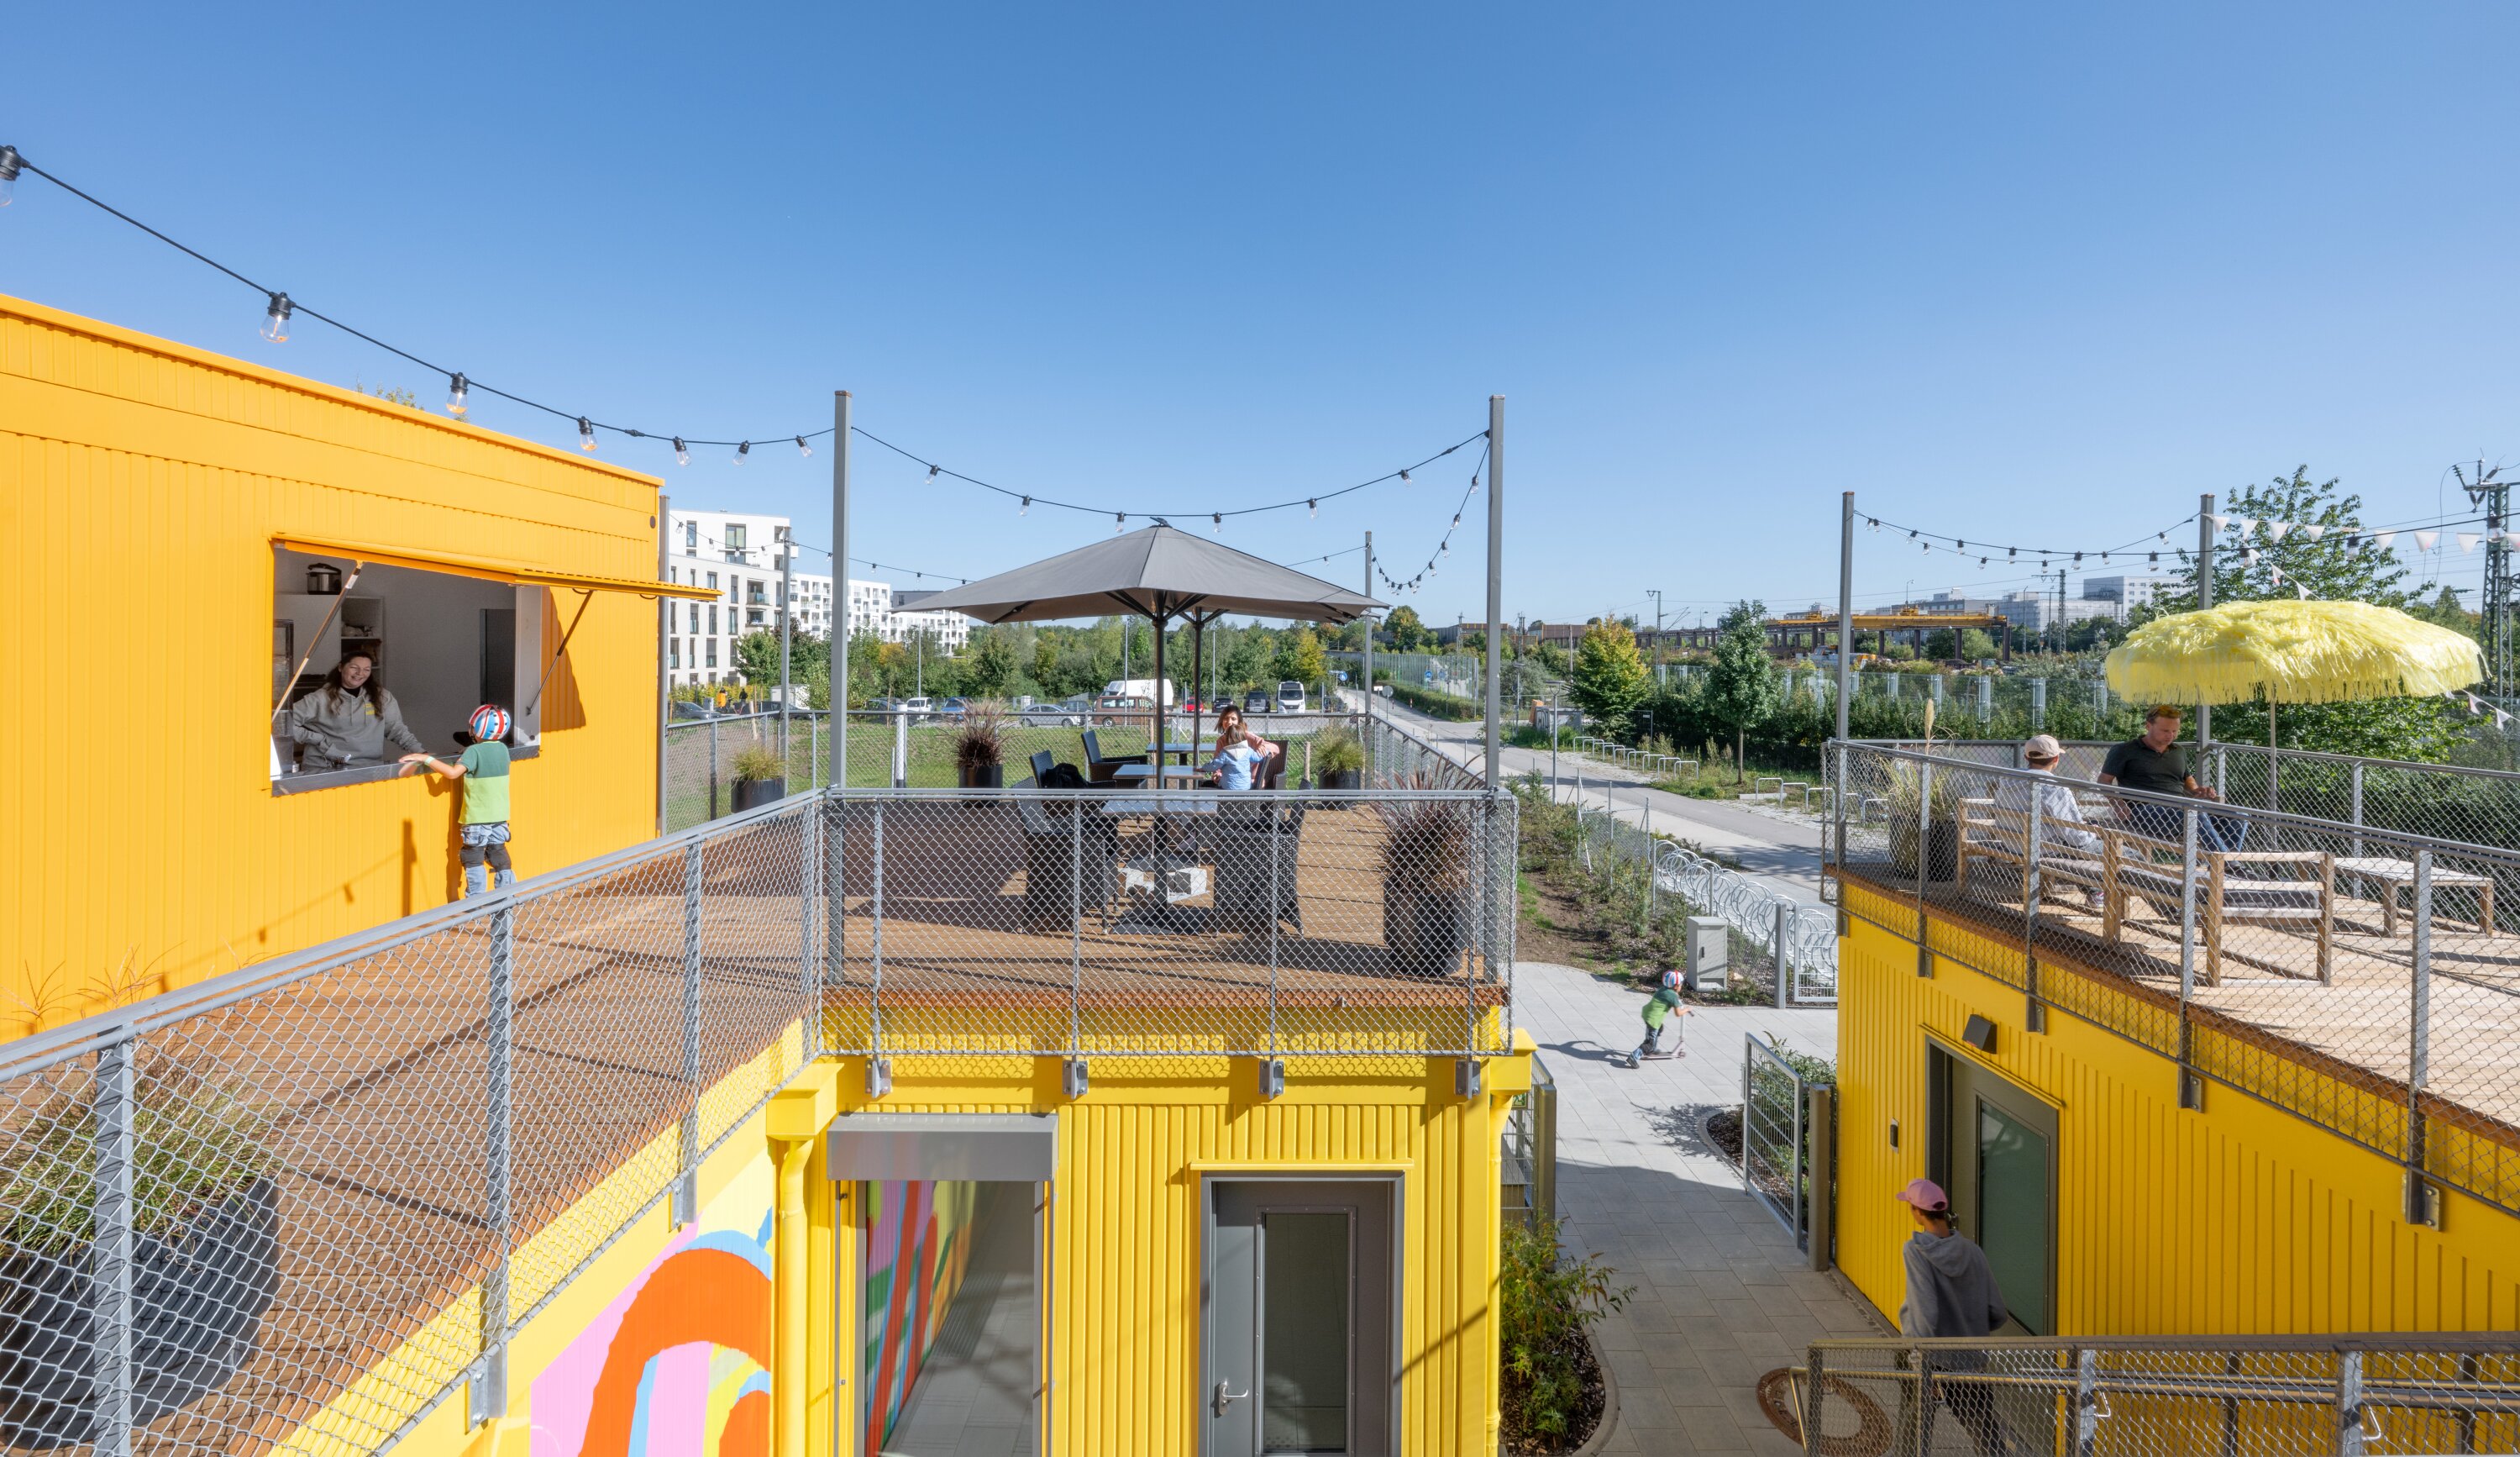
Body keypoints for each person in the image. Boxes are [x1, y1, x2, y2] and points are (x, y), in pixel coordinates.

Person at [1893, 1178, 2011, 1457]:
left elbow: (1925, 1311)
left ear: (1917, 1211)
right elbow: (1998, 1312)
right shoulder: (1973, 1251)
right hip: (1969, 1358)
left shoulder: (1916, 1250)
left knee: (1914, 1425)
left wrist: (1921, 1364)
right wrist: (1970, 1329)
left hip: (1927, 1357)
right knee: (1984, 1429)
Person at [402, 705, 516, 897]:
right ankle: (508, 894)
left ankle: (476, 902)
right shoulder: (503, 750)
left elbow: (453, 774)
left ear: (476, 729)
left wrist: (426, 759)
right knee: (498, 855)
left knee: (473, 858)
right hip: (500, 816)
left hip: (477, 818)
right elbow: (486, 760)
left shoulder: (473, 752)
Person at [2098, 705, 2244, 850]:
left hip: (2181, 808)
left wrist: (2197, 789)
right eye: (2165, 731)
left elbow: (2186, 777)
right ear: (2148, 726)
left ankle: (2226, 863)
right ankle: (2227, 865)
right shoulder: (2124, 750)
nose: (2171, 735)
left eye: (2175, 731)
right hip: (2144, 812)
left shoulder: (2178, 751)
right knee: (2194, 811)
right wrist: (2117, 803)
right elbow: (2104, 781)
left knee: (2239, 815)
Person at [1994, 734, 2105, 911]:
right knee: (2123, 852)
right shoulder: (2055, 788)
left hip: (2012, 842)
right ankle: (2097, 891)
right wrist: (2092, 832)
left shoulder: (2007, 779)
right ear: (2056, 758)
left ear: (2026, 757)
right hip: (2045, 847)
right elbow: (2077, 838)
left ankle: (2094, 890)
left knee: (2079, 845)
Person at [286, 650, 426, 771]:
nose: (360, 673)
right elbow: (281, 723)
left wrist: (422, 753)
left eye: (367, 669)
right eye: (354, 668)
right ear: (341, 668)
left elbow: (397, 730)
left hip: (368, 766)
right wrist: (317, 740)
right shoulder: (320, 698)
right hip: (325, 768)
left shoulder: (382, 697)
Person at [1623, 970, 1686, 1067]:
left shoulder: (1663, 989)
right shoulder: (1673, 996)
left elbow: (1670, 997)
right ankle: (1634, 1056)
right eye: (1681, 985)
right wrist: (1687, 1009)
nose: (1681, 987)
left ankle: (1651, 1048)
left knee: (1660, 1029)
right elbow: (1678, 1013)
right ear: (1676, 986)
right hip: (1653, 1020)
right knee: (1650, 1043)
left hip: (1648, 1014)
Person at [1199, 722, 1268, 791]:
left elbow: (1214, 765)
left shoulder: (1225, 753)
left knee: (1212, 785)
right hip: (1245, 787)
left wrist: (1203, 768)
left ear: (1228, 738)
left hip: (1228, 787)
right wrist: (1266, 750)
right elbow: (1258, 758)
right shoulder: (1248, 750)